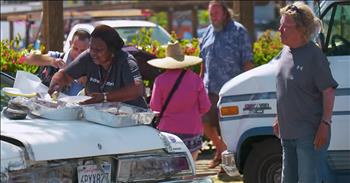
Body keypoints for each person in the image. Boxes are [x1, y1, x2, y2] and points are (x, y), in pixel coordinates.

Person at [273, 2, 338, 183]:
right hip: (287, 134)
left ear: (301, 29)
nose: (280, 29)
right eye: (280, 25)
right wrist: (279, 117)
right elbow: (285, 88)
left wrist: (325, 124)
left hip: (309, 136)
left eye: (285, 26)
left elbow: (329, 91)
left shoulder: (314, 56)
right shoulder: (286, 51)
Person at [199, 0, 254, 169]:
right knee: (203, 121)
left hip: (231, 90)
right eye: (210, 14)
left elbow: (248, 62)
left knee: (228, 128)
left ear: (225, 12)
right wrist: (200, 81)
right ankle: (220, 148)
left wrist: (247, 88)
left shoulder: (238, 31)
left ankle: (227, 161)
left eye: (216, 13)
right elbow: (203, 60)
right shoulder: (207, 32)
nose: (213, 17)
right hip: (209, 88)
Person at [48, 25, 147, 108]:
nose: (93, 53)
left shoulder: (126, 61)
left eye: (99, 50)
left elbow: (137, 89)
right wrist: (56, 83)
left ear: (112, 52)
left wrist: (104, 97)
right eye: (91, 47)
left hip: (131, 119)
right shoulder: (87, 57)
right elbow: (65, 75)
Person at [148, 41, 211, 161]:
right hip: (192, 130)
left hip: (168, 132)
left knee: (171, 169)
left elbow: (155, 108)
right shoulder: (195, 79)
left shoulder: (159, 81)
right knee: (190, 168)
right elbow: (205, 106)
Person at [24, 29, 91, 96]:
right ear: (70, 44)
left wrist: (86, 81)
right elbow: (27, 59)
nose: (78, 53)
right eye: (75, 48)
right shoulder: (58, 57)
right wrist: (51, 61)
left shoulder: (92, 69)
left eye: (83, 51)